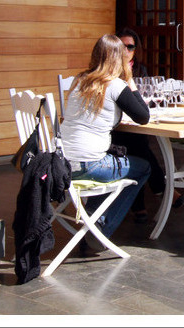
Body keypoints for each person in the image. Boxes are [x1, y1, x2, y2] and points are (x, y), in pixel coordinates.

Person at [59, 34, 151, 254]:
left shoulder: (80, 79)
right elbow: (143, 116)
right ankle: (100, 227)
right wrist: (130, 82)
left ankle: (92, 220)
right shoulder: (115, 85)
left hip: (62, 164)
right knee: (142, 167)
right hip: (89, 165)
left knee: (110, 162)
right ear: (119, 59)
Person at [112, 27, 184, 223]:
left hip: (130, 124)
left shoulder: (139, 69)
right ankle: (162, 189)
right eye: (122, 46)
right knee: (137, 146)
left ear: (136, 49)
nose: (126, 50)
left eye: (131, 46)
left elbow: (143, 100)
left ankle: (140, 204)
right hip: (112, 130)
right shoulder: (109, 72)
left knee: (136, 144)